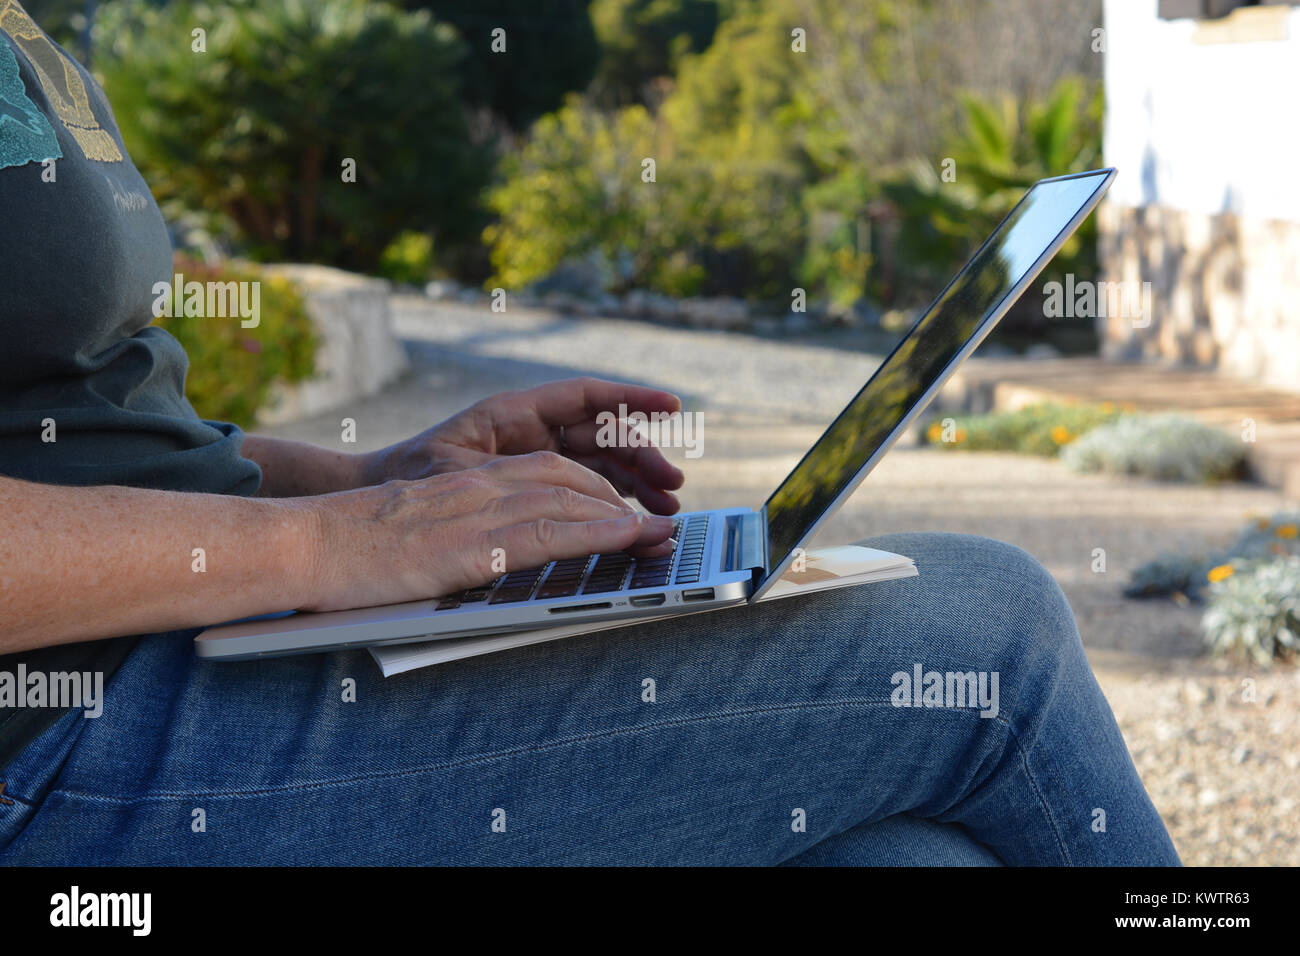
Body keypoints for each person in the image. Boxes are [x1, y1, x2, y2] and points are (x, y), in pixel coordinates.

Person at [0, 3, 1179, 865]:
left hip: (170, 638)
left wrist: (376, 480)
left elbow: (106, 429)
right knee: (992, 630)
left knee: (908, 863)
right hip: (62, 741)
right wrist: (327, 546)